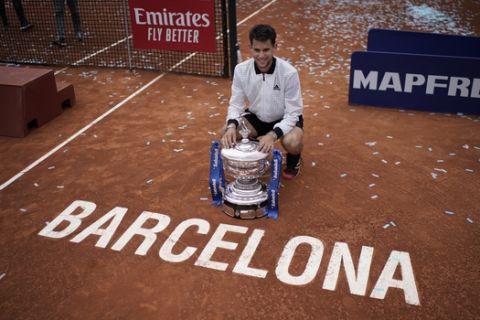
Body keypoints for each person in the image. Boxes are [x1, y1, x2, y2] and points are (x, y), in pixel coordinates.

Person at [221, 24, 304, 180]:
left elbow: (293, 113)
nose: (261, 55)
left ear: (274, 47)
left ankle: (294, 159)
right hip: (257, 117)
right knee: (227, 133)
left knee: (293, 142)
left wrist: (272, 135)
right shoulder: (241, 70)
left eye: (266, 50)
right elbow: (236, 104)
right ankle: (254, 150)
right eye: (257, 50)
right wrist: (231, 126)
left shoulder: (289, 73)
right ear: (251, 48)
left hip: (284, 118)